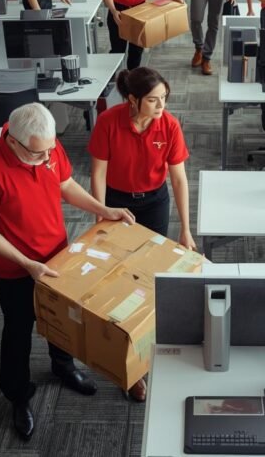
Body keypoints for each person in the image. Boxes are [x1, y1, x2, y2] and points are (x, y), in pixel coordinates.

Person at [0, 103, 136, 441]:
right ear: (13, 142)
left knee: (63, 317)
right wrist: (27, 263)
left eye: (49, 151)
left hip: (57, 254)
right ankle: (17, 394)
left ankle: (63, 367)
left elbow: (66, 184)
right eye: (37, 154)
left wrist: (104, 209)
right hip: (15, 268)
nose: (46, 159)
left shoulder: (44, 143)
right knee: (18, 330)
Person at [88, 67, 193, 402]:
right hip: (118, 204)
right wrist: (99, 217)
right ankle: (127, 366)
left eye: (164, 98)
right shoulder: (109, 122)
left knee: (148, 281)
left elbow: (178, 180)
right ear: (132, 100)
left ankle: (146, 355)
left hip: (153, 202)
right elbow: (98, 174)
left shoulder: (169, 125)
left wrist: (186, 230)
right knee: (120, 282)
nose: (161, 105)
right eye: (153, 100)